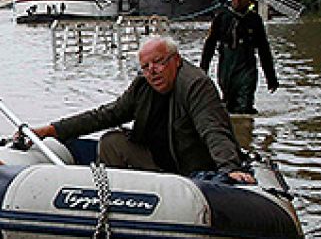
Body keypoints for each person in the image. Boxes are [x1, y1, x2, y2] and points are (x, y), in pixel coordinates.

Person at [26, 35, 254, 183]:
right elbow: (105, 115)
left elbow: (212, 129)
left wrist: (229, 168)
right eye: (145, 66)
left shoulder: (195, 85)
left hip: (189, 169)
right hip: (156, 161)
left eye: (158, 62)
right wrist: (51, 130)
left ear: (176, 60)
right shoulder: (142, 86)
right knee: (111, 141)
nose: (152, 71)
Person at [200, 0, 278, 114]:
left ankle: (246, 130)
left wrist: (271, 78)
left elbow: (264, 50)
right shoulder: (222, 17)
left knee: (244, 106)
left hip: (247, 67)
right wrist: (203, 70)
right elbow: (210, 44)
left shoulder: (255, 20)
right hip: (226, 66)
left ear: (248, 0)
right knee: (228, 106)